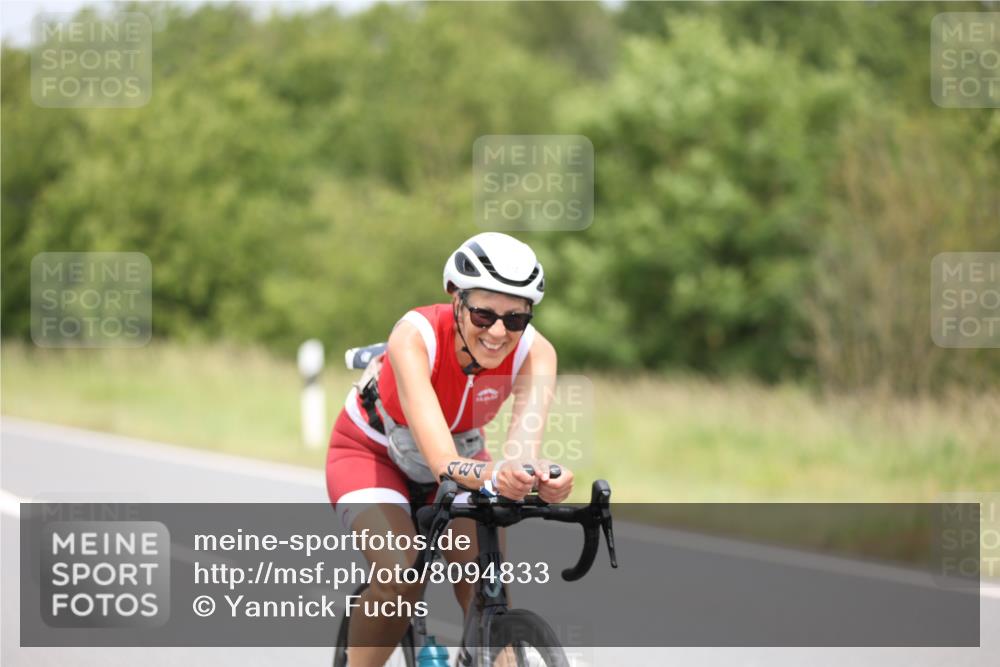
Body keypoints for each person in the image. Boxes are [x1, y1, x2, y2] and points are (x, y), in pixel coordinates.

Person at [326, 232, 573, 666]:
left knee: (486, 582)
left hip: (465, 454)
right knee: (400, 573)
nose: (498, 333)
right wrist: (498, 475)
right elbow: (442, 463)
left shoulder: (538, 355)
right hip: (373, 451)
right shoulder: (415, 336)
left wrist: (540, 477)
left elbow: (521, 451)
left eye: (515, 320)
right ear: (455, 297)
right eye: (483, 314)